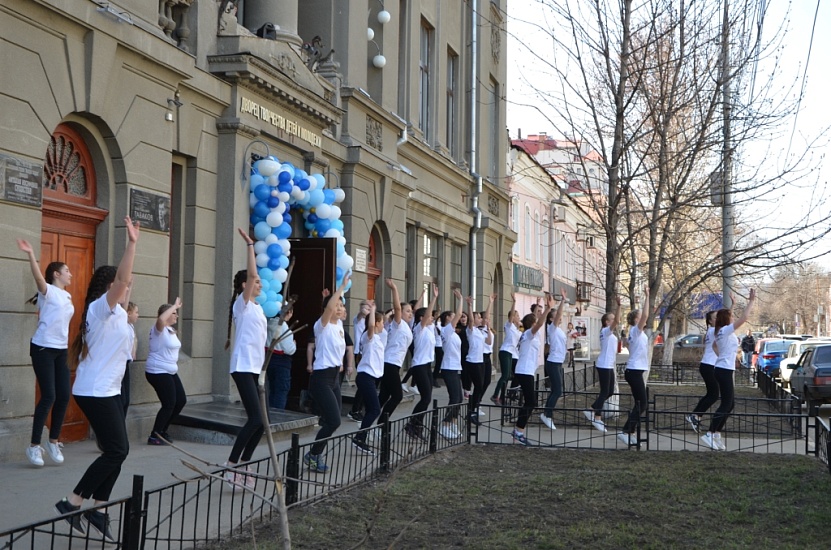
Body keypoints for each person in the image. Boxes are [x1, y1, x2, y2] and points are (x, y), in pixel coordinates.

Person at [54, 216, 139, 542]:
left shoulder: (117, 313)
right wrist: (131, 245)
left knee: (120, 450)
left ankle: (99, 508)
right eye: (123, 285)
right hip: (95, 391)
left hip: (110, 390)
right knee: (116, 451)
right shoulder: (99, 308)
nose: (128, 287)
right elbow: (121, 279)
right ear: (109, 288)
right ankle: (73, 502)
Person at [18, 239, 73, 467]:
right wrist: (31, 254)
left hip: (61, 349)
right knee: (48, 395)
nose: (70, 274)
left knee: (64, 395)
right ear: (56, 274)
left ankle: (53, 440)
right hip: (42, 348)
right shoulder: (48, 291)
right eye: (67, 271)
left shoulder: (67, 296)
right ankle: (33, 447)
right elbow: (38, 278)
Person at [223, 228, 268, 489]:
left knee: (261, 423)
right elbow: (252, 274)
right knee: (254, 419)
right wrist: (251, 246)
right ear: (244, 286)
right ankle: (231, 465)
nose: (259, 284)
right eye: (256, 282)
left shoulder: (259, 308)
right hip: (241, 366)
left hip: (254, 367)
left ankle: (245, 464)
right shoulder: (243, 303)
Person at [304, 273, 351, 473]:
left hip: (334, 378)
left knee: (332, 421)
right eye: (337, 305)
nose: (340, 308)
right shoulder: (320, 325)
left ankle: (315, 452)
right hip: (322, 378)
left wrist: (340, 363)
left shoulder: (339, 325)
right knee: (334, 420)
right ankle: (313, 455)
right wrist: (341, 287)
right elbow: (329, 308)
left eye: (342, 305)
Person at [701, 290, 756, 451]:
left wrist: (724, 357)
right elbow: (744, 318)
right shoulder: (724, 331)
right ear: (727, 320)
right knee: (726, 403)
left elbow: (714, 346)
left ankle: (716, 432)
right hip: (723, 370)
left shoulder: (721, 332)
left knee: (730, 404)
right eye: (731, 317)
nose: (733, 318)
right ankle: (710, 433)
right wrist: (751, 301)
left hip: (724, 367)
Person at [512, 294, 553, 445]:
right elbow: (538, 323)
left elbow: (536, 319)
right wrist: (548, 309)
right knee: (531, 402)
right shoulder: (529, 334)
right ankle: (518, 431)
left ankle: (518, 430)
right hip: (524, 371)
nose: (538, 321)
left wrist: (539, 306)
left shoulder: (528, 334)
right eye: (536, 321)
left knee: (529, 402)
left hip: (526, 370)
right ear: (532, 324)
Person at [145, 298, 186, 445]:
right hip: (157, 370)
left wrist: (174, 308)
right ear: (166, 314)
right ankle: (155, 435)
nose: (176, 315)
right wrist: (174, 305)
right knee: (169, 403)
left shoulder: (170, 331)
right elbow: (161, 320)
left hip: (170, 371)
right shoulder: (158, 330)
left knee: (181, 401)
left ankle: (162, 431)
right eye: (174, 313)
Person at [404, 284, 439, 440]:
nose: (432, 318)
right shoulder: (419, 328)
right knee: (425, 397)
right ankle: (412, 424)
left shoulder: (431, 329)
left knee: (427, 397)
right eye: (429, 316)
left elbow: (429, 316)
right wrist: (433, 298)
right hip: (418, 366)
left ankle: (417, 425)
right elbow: (425, 315)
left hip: (426, 366)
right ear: (421, 319)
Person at [377, 279, 413, 427]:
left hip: (394, 364)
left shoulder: (406, 326)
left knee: (383, 396)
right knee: (397, 396)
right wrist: (394, 289)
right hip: (389, 363)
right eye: (408, 311)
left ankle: (367, 426)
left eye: (412, 311)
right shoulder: (398, 324)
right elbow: (397, 308)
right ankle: (381, 425)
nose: (411, 313)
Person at [351, 302, 385, 454]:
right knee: (375, 409)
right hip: (365, 376)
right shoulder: (368, 335)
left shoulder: (377, 338)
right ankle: (360, 438)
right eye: (382, 321)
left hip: (371, 377)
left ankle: (361, 436)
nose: (383, 324)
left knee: (372, 409)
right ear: (377, 323)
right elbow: (370, 326)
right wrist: (373, 311)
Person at [584, 296, 621, 433]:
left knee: (609, 391)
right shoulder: (606, 331)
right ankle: (592, 411)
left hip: (608, 365)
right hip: (604, 364)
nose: (614, 321)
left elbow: (616, 320)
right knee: (605, 391)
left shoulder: (608, 333)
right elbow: (617, 320)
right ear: (607, 322)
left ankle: (597, 415)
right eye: (611, 319)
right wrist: (619, 306)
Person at [619, 286, 650, 447]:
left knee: (640, 403)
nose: (643, 318)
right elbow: (646, 314)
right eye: (640, 317)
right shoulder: (636, 331)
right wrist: (647, 296)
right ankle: (626, 431)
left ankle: (630, 432)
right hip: (634, 371)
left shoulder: (637, 333)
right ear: (636, 320)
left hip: (635, 371)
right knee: (642, 403)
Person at [686, 311, 719, 434]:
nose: (718, 319)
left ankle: (695, 416)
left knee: (711, 394)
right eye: (716, 318)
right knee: (714, 394)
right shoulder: (713, 330)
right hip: (708, 366)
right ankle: (695, 416)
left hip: (709, 365)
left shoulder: (714, 330)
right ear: (710, 321)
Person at [439, 289, 465, 439]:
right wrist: (460, 299)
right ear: (447, 319)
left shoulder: (453, 332)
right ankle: (445, 425)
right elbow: (460, 315)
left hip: (455, 367)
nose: (456, 317)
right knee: (454, 397)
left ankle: (452, 423)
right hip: (448, 367)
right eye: (452, 316)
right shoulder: (446, 331)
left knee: (459, 398)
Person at [541, 289, 568, 430]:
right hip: (552, 363)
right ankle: (547, 415)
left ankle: (546, 413)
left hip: (557, 363)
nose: (560, 317)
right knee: (557, 391)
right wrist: (562, 301)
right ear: (552, 319)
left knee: (555, 390)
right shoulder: (552, 327)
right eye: (556, 316)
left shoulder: (559, 330)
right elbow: (558, 314)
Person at [465, 294, 494, 425]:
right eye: (479, 317)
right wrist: (470, 306)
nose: (481, 319)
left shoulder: (481, 331)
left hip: (480, 361)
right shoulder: (471, 330)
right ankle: (471, 411)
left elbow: (489, 341)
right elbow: (470, 320)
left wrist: (490, 302)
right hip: (472, 361)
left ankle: (473, 409)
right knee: (478, 386)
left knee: (480, 385)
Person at [491, 293, 520, 405]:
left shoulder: (518, 330)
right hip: (505, 351)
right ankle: (495, 396)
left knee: (510, 375)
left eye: (518, 316)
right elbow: (512, 315)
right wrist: (514, 302)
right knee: (505, 375)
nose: (518, 317)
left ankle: (503, 396)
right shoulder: (509, 326)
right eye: (516, 316)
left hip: (512, 353)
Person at [266, 307, 296, 410]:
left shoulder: (268, 323)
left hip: (270, 360)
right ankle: (278, 416)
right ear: (289, 313)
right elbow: (289, 349)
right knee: (281, 391)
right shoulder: (283, 327)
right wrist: (294, 344)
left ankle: (271, 414)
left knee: (273, 390)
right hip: (282, 363)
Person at [347, 300, 371, 422]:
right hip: (359, 354)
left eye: (368, 308)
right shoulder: (359, 320)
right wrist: (363, 312)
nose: (367, 310)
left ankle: (360, 408)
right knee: (363, 382)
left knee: (367, 383)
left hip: (368, 353)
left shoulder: (371, 321)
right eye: (364, 307)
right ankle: (355, 410)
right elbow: (360, 315)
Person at [123, 299, 138, 418]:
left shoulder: (131, 326)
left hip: (127, 361)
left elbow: (134, 339)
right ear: (128, 313)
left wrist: (133, 350)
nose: (137, 315)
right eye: (136, 312)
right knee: (122, 398)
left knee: (126, 399)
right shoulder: (122, 323)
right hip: (120, 362)